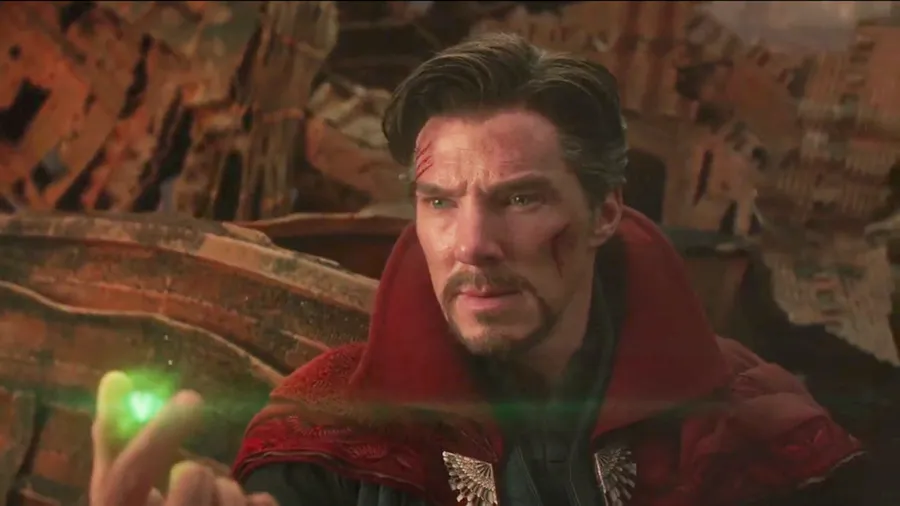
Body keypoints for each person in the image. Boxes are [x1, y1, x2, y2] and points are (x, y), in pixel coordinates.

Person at [90, 33, 878, 506]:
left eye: (520, 198)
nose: (472, 244)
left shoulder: (747, 429)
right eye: (439, 202)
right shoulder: (328, 433)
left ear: (605, 212)